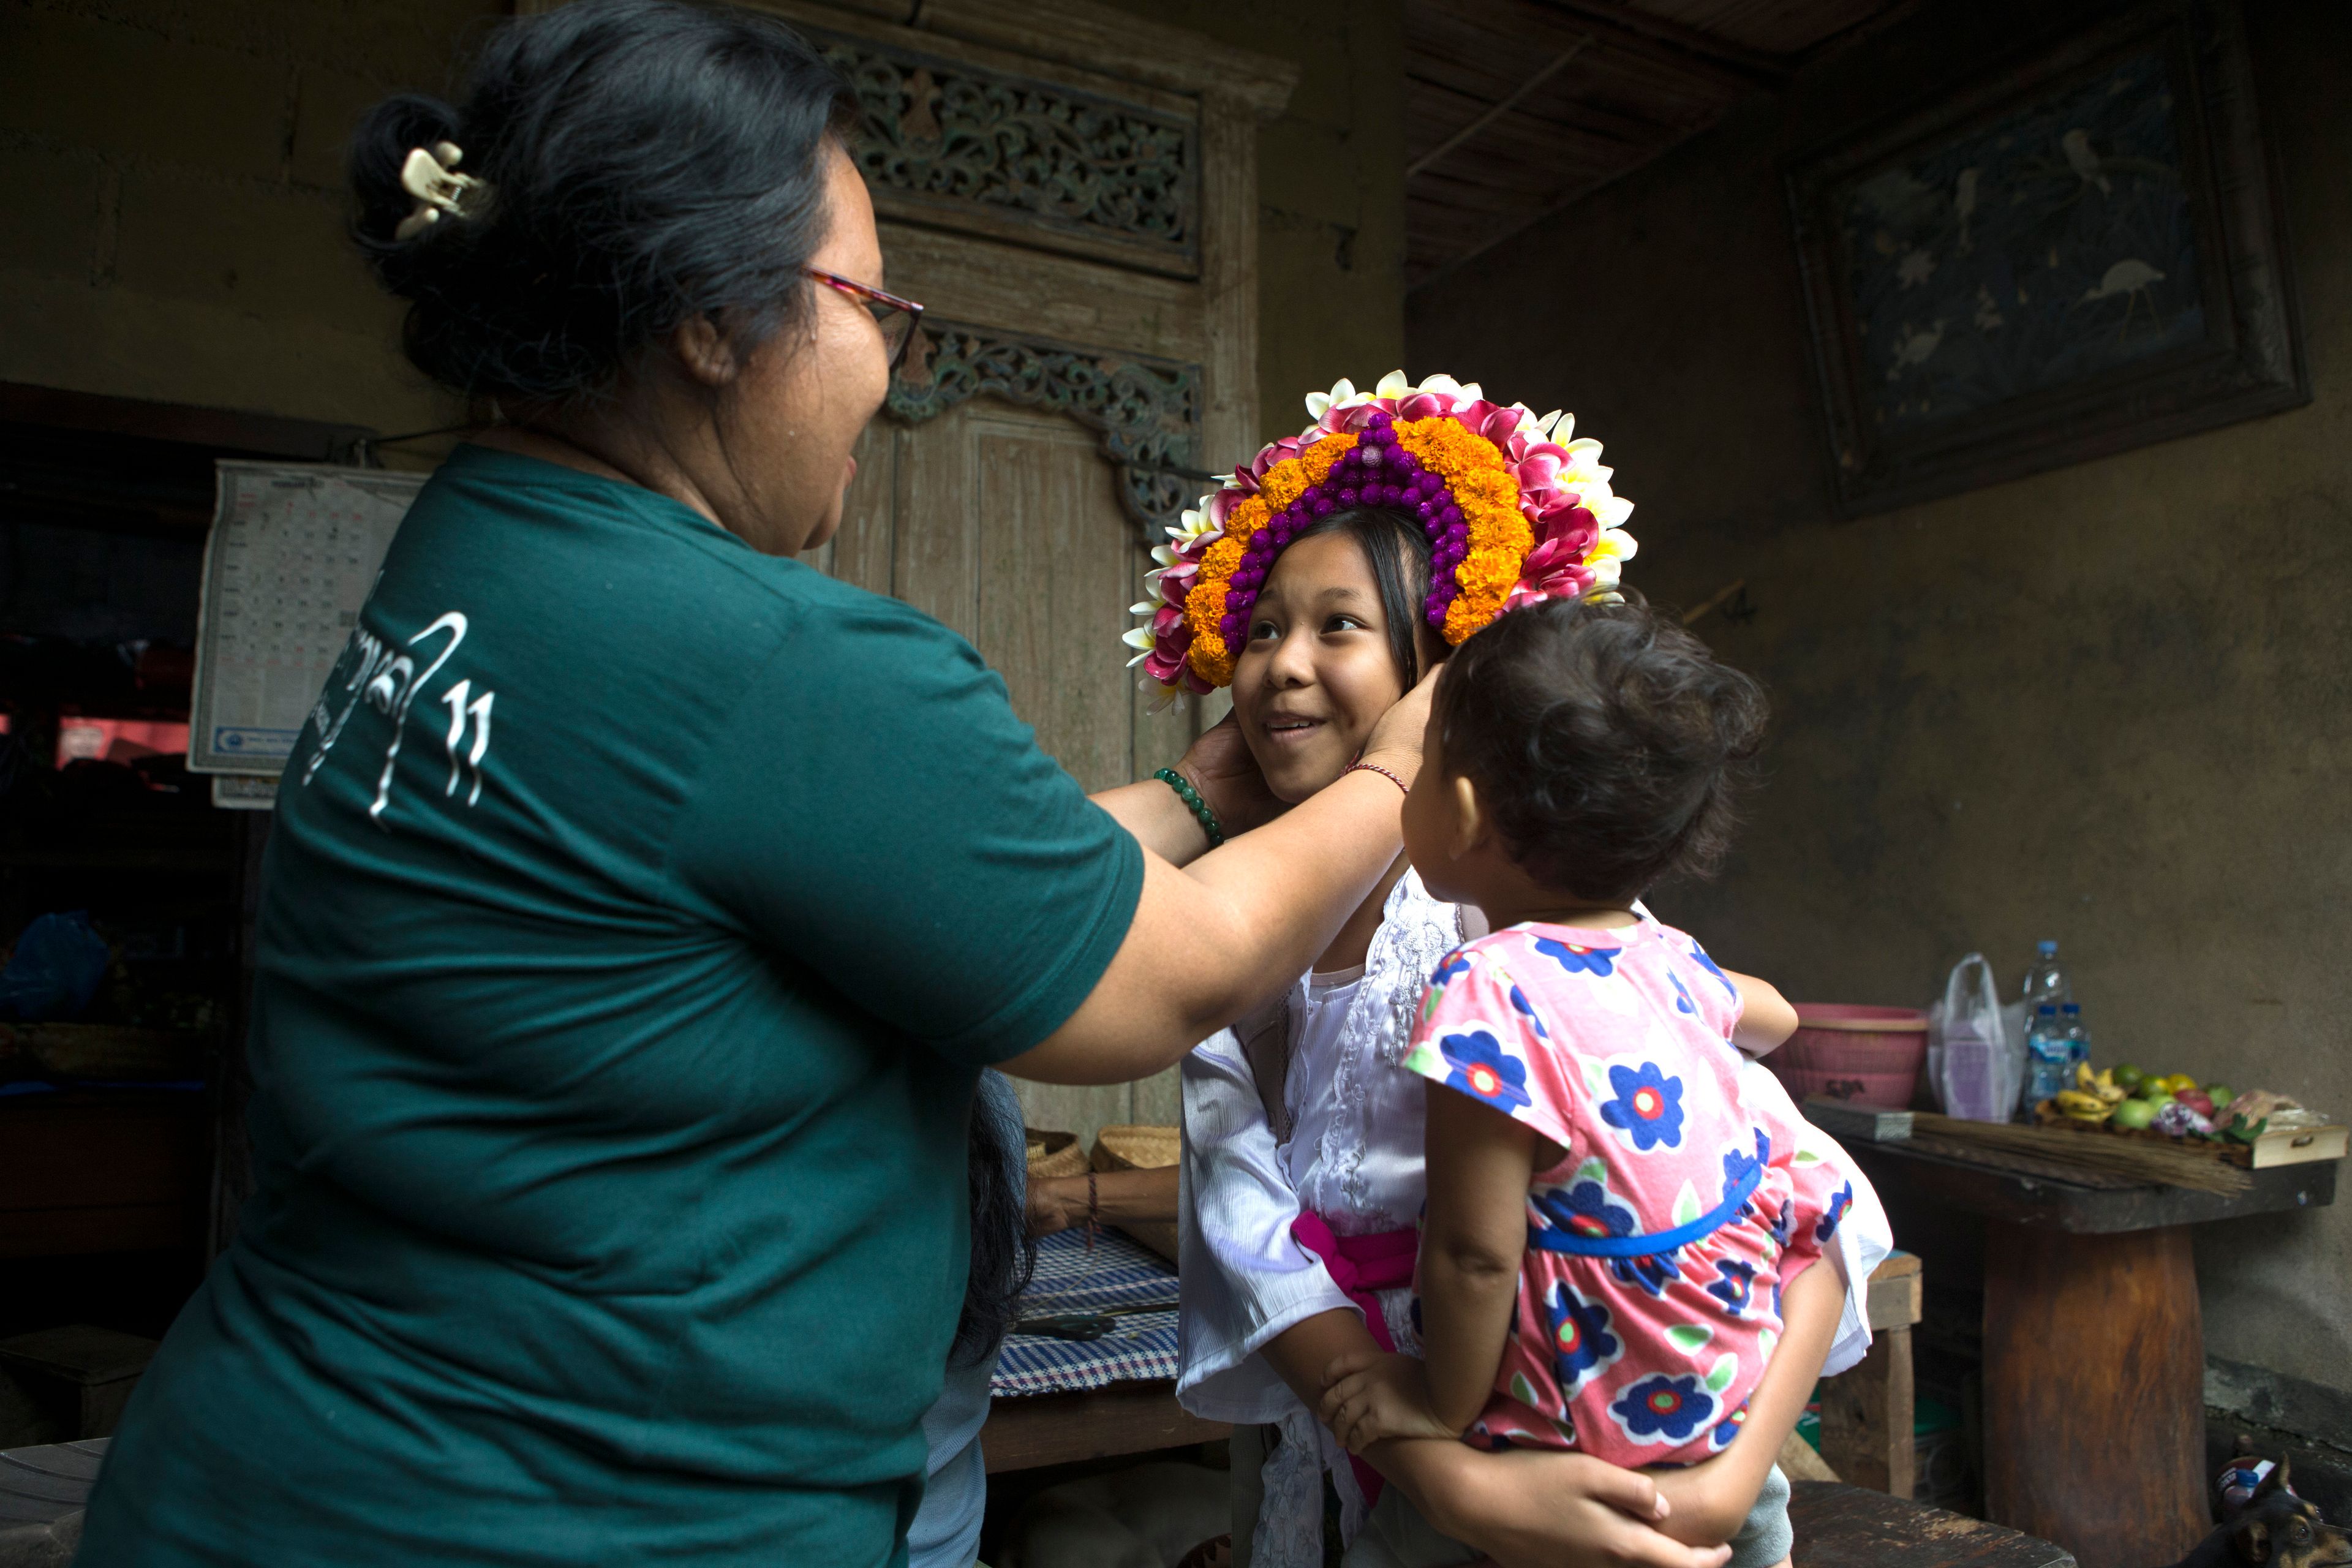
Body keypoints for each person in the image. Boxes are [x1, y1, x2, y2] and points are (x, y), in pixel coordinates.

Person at [72, 6, 1437, 1564]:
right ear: (712, 317)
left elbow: (960, 883)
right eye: (871, 302)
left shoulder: (480, 551)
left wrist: (1199, 795)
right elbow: (1152, 978)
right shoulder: (773, 660)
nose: (890, 360)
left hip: (287, 1462)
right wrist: (1408, 768)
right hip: (552, 1517)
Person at [1164, 374, 1891, 1568]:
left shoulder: (1521, 925)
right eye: (1259, 629)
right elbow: (1243, 1221)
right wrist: (1444, 1477)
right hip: (1367, 1415)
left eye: (1337, 626)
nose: (1282, 666)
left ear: (1445, 687)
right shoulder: (1226, 920)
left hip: (1549, 1420)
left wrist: (1727, 1482)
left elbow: (1803, 1197)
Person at [1317, 597, 1866, 1568]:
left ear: (1465, 810)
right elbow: (1774, 1011)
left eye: (1422, 759)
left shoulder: (1488, 990)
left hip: (1577, 1438)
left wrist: (1434, 1401)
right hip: (1726, 1423)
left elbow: (1474, 1256)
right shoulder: (1672, 959)